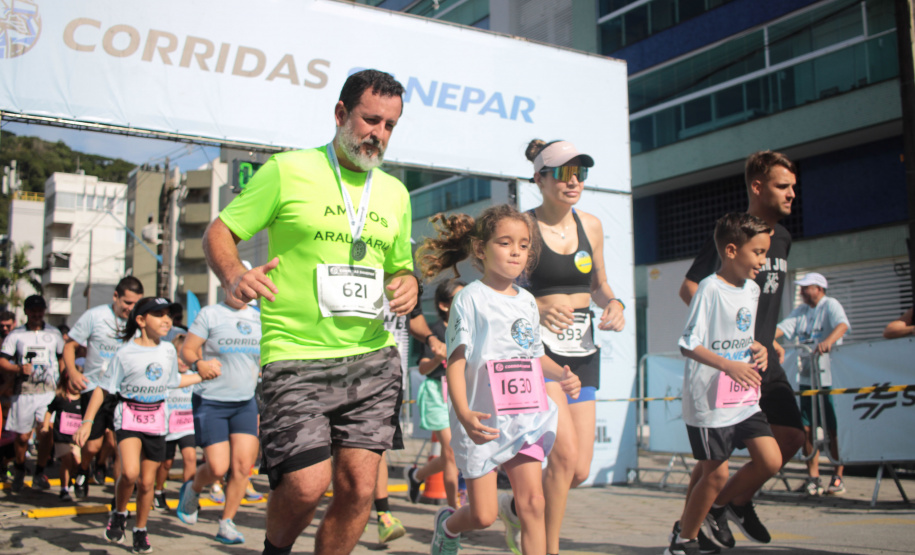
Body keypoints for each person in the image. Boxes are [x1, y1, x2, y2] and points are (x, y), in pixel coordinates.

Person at [202, 68, 417, 555]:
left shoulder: (395, 194)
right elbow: (219, 231)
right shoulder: (286, 170)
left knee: (361, 488)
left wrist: (408, 283)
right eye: (370, 120)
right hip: (295, 355)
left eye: (389, 126)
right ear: (341, 114)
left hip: (372, 358)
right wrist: (234, 274)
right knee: (305, 484)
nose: (378, 134)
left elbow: (400, 269)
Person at [416, 204, 581, 555]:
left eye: (523, 245)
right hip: (482, 421)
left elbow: (535, 357)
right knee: (483, 514)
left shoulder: (526, 302)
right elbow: (457, 363)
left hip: (526, 416)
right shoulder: (470, 300)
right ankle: (448, 525)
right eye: (506, 243)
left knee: (534, 503)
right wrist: (463, 412)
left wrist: (563, 374)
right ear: (481, 249)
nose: (516, 252)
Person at [498, 139, 627, 555]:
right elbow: (499, 290)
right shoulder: (523, 227)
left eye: (581, 173)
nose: (574, 182)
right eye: (563, 173)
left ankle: (517, 510)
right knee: (565, 455)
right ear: (540, 178)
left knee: (579, 470)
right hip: (541, 355)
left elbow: (599, 285)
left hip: (584, 352)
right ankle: (547, 549)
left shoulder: (591, 225)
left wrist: (615, 304)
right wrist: (535, 305)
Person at [678, 151, 805, 547]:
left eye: (793, 187)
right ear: (757, 186)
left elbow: (764, 296)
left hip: (763, 356)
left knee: (791, 439)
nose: (791, 195)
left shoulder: (781, 238)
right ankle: (688, 531)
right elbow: (690, 286)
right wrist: (727, 337)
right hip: (730, 363)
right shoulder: (734, 235)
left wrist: (767, 338)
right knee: (712, 463)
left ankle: (730, 502)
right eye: (783, 186)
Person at [666, 212, 782, 555]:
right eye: (757, 252)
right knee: (713, 474)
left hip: (744, 396)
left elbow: (740, 335)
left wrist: (758, 348)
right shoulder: (709, 289)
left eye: (765, 253)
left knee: (771, 460)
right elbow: (688, 344)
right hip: (709, 402)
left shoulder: (753, 289)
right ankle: (682, 539)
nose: (763, 261)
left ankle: (718, 508)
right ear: (731, 251)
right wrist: (727, 365)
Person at [75, 297, 208, 554]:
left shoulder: (169, 350)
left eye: (168, 314)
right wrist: (87, 421)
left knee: (147, 483)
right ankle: (119, 511)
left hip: (157, 419)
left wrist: (202, 374)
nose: (166, 320)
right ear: (141, 320)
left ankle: (140, 530)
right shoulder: (125, 352)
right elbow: (103, 389)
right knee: (130, 473)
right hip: (128, 417)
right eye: (158, 314)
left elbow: (173, 381)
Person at [175, 293, 261, 546]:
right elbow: (187, 349)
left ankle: (227, 523)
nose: (243, 290)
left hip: (245, 401)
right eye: (236, 283)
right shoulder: (210, 314)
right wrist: (199, 363)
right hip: (211, 400)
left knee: (244, 467)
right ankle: (193, 489)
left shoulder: (260, 317)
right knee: (218, 467)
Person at [65, 276, 144, 498]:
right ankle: (83, 469)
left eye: (135, 304)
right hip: (95, 388)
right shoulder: (95, 316)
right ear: (115, 296)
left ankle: (120, 499)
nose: (130, 308)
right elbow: (70, 346)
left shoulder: (138, 323)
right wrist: (73, 373)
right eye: (127, 303)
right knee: (92, 446)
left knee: (122, 445)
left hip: (124, 392)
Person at [775, 272, 850, 496]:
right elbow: (782, 328)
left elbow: (843, 325)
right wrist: (766, 337)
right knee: (806, 428)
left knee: (832, 428)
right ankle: (813, 477)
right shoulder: (801, 311)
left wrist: (828, 341)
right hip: (807, 379)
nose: (802, 291)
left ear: (819, 288)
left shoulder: (830, 305)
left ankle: (837, 476)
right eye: (802, 287)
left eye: (807, 287)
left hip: (828, 378)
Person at [405, 279, 466, 509]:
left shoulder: (473, 329)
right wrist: (438, 358)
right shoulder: (433, 331)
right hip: (437, 392)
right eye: (459, 299)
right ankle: (454, 513)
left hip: (464, 392)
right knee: (451, 453)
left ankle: (417, 475)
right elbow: (422, 369)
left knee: (455, 454)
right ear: (443, 305)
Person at [0, 294, 65, 492]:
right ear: (27, 312)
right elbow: (2, 361)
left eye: (40, 310)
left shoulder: (54, 333)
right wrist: (19, 369)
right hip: (24, 392)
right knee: (21, 437)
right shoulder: (16, 335)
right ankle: (20, 468)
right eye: (33, 310)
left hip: (48, 391)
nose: (37, 314)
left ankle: (39, 471)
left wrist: (63, 381)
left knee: (46, 431)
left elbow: (62, 358)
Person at [153, 333, 198, 511]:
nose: (183, 362)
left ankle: (189, 495)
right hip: (167, 426)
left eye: (186, 357)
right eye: (180, 357)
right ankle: (158, 490)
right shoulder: (165, 376)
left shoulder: (195, 376)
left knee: (190, 458)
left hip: (187, 426)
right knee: (166, 463)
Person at [42, 372, 83, 502]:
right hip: (62, 437)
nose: (76, 386)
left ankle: (73, 480)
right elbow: (49, 411)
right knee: (66, 460)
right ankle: (64, 489)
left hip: (77, 438)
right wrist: (45, 426)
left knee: (77, 462)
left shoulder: (85, 400)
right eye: (73, 382)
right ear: (66, 383)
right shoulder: (61, 398)